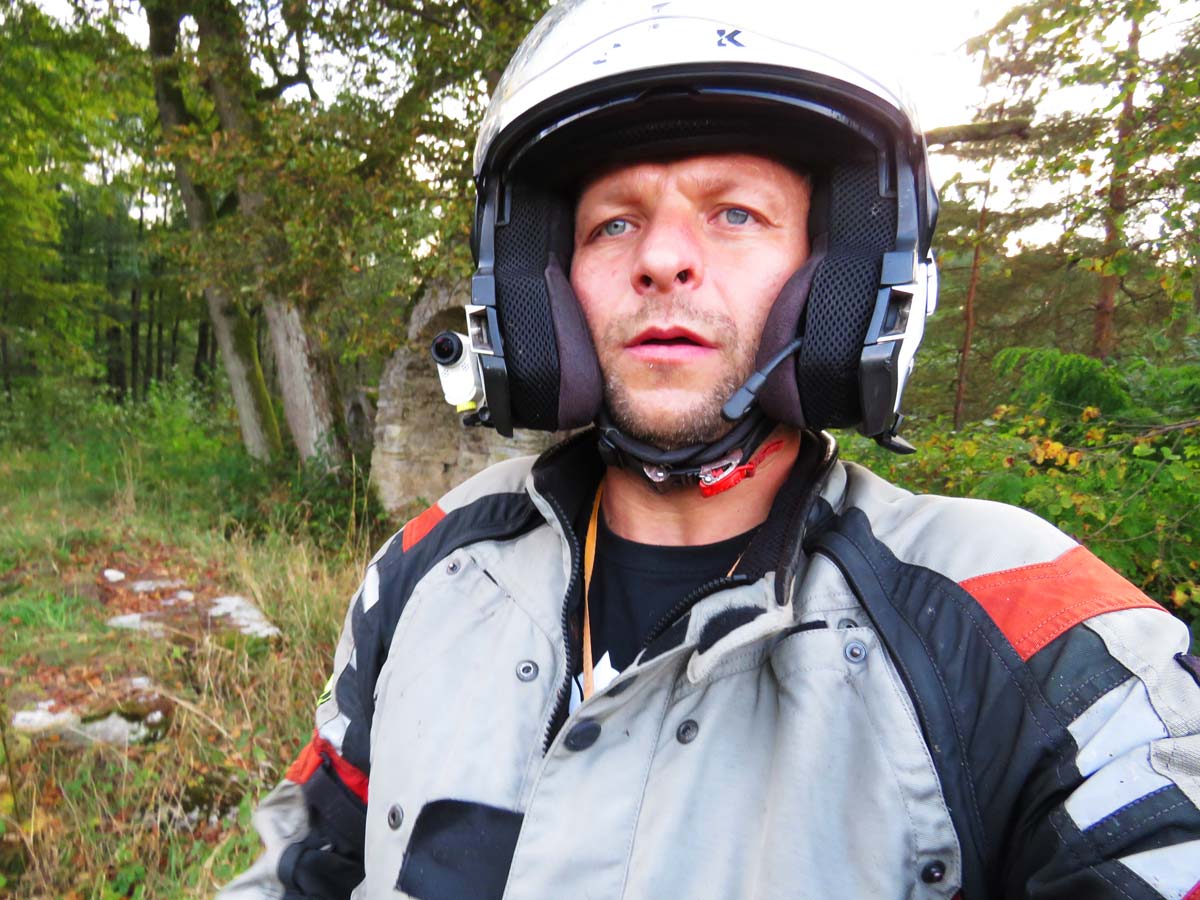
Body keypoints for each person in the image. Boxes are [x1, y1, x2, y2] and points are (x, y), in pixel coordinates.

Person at [220, 2, 1200, 898]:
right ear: (546, 288)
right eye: (615, 223)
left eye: (735, 214)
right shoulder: (430, 567)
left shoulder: (1026, 624)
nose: (662, 258)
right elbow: (300, 870)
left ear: (839, 277)